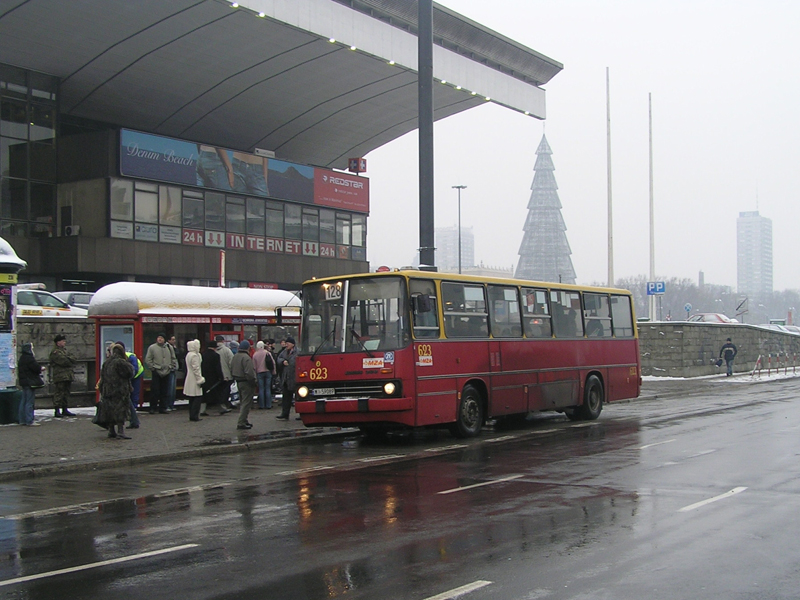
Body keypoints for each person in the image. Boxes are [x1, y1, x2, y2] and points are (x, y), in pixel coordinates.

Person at [99, 344, 135, 439]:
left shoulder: (107, 363)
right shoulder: (121, 362)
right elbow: (130, 373)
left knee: (110, 410)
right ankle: (120, 431)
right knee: (120, 410)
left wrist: (101, 389)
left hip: (107, 390)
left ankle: (111, 430)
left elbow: (102, 377)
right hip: (120, 390)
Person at [145, 333, 177, 414]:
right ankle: (153, 408)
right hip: (156, 371)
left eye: (161, 338)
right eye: (158, 337)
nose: (159, 339)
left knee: (165, 391)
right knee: (155, 391)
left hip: (167, 372)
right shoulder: (152, 347)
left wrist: (171, 367)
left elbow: (173, 358)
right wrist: (153, 368)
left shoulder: (169, 347)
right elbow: (148, 359)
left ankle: (163, 407)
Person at [116, 341, 143, 429]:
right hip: (127, 380)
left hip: (136, 376)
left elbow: (133, 370)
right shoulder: (120, 359)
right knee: (128, 400)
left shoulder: (130, 357)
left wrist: (128, 379)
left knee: (133, 395)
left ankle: (132, 417)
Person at [49, 334, 77, 418]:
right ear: (58, 342)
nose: (64, 342)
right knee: (59, 393)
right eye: (63, 341)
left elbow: (74, 358)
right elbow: (64, 361)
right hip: (60, 376)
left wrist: (69, 358)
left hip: (67, 375)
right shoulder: (55, 352)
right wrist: (69, 359)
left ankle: (65, 409)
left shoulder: (64, 350)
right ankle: (57, 410)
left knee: (66, 393)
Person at [231, 339, 256, 430]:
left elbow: (231, 368)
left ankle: (244, 420)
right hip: (246, 382)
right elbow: (249, 373)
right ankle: (241, 422)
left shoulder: (235, 356)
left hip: (238, 381)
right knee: (246, 403)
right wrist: (253, 382)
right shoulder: (246, 358)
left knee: (242, 402)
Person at [201, 340, 230, 416]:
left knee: (205, 394)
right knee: (218, 394)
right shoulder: (216, 356)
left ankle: (202, 410)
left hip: (205, 377)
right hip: (214, 378)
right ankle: (222, 408)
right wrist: (221, 377)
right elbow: (218, 368)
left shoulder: (203, 355)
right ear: (215, 348)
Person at [18, 342, 44, 426]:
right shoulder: (29, 358)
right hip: (30, 382)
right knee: (29, 401)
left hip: (24, 382)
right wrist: (41, 368)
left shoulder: (22, 358)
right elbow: (36, 368)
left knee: (24, 401)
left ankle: (22, 419)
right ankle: (29, 420)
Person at [183, 339, 205, 421]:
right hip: (195, 379)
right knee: (197, 398)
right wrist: (200, 379)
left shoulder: (188, 354)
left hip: (189, 377)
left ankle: (192, 415)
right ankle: (195, 415)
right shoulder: (195, 356)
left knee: (191, 398)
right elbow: (196, 369)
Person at [276, 337, 297, 421]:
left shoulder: (297, 352)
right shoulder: (284, 352)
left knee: (299, 397)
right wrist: (282, 361)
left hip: (294, 377)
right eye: (286, 343)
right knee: (286, 397)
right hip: (285, 378)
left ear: (293, 344)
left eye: (288, 343)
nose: (286, 344)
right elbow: (278, 359)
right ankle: (285, 414)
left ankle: (300, 414)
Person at [253, 340, 276, 410]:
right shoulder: (267, 353)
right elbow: (273, 363)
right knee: (268, 388)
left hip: (259, 373)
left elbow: (254, 366)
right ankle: (268, 404)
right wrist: (274, 371)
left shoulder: (255, 355)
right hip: (268, 372)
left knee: (261, 389)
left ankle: (261, 405)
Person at [215, 335, 234, 409]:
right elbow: (231, 362)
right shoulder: (227, 350)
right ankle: (224, 404)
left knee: (219, 391)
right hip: (227, 374)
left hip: (217, 375)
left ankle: (219, 404)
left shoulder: (215, 350)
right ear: (223, 341)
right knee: (226, 391)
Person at [167, 335, 181, 411]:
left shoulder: (173, 347)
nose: (174, 341)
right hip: (170, 370)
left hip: (173, 369)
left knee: (172, 388)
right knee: (170, 388)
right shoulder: (168, 348)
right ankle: (169, 404)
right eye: (172, 339)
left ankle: (171, 404)